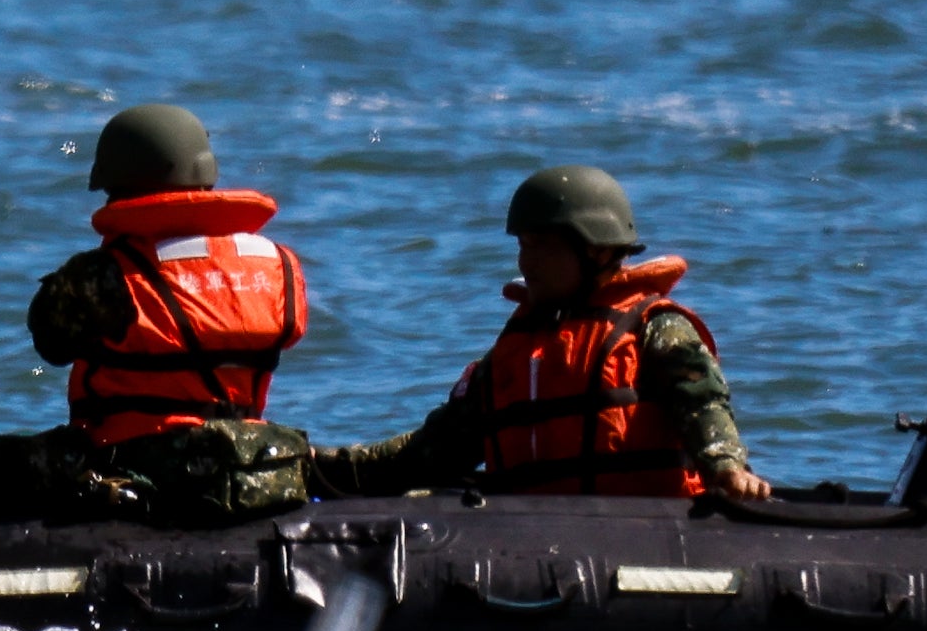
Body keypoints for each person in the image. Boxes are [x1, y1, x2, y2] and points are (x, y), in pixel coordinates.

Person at [308, 166, 769, 502]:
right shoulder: (519, 350)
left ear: (596, 250)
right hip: (528, 538)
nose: (525, 263)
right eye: (521, 246)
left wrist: (727, 468)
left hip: (639, 531)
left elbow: (703, 406)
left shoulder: (657, 328)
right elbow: (432, 452)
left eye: (541, 247)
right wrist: (311, 464)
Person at [0, 103, 314, 529]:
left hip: (133, 463)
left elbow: (49, 344)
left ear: (124, 185)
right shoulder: (276, 264)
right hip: (243, 460)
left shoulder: (104, 275)